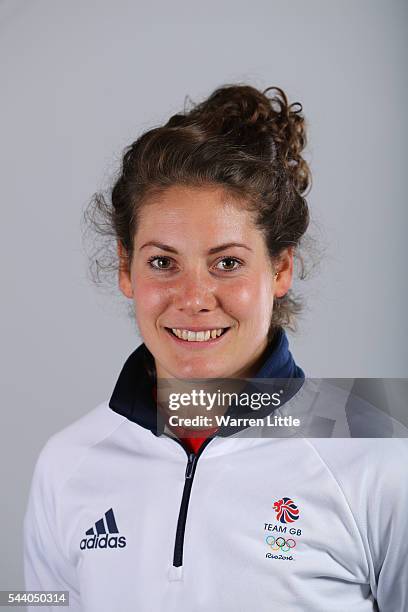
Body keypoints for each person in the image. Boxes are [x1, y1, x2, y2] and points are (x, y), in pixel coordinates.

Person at [23, 84, 408, 611]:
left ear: (280, 268)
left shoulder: (380, 457)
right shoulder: (66, 464)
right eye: (163, 262)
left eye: (227, 263)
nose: (193, 299)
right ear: (124, 268)